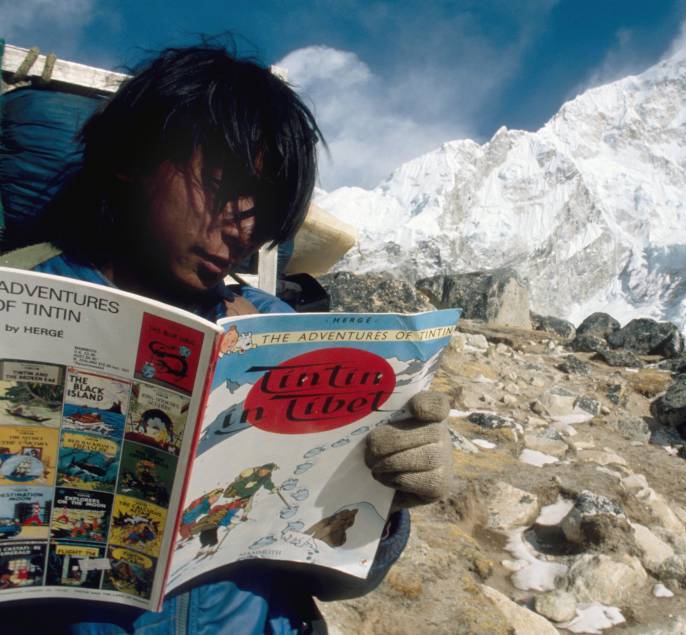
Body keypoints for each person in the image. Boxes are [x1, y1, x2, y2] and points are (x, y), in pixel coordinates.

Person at [1, 43, 452, 634]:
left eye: (265, 206)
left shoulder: (280, 331)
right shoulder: (23, 302)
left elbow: (336, 576)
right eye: (225, 182)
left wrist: (386, 501)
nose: (244, 225)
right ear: (133, 157)